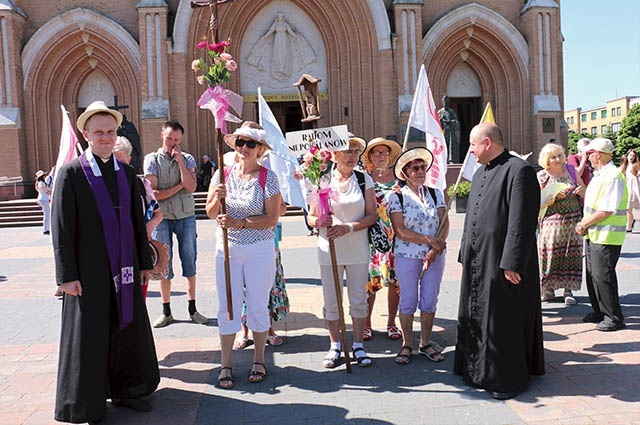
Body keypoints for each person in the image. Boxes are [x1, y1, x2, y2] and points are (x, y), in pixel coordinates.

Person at [52, 101, 159, 423]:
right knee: (91, 335)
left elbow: (136, 221)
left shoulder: (126, 173)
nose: (105, 137)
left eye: (111, 132)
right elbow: (61, 227)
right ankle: (88, 402)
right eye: (98, 132)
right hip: (89, 272)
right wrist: (66, 275)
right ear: (85, 134)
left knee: (126, 328)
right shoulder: (71, 174)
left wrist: (143, 262)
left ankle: (129, 390)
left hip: (125, 267)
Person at [454, 123, 544, 400]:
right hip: (478, 257)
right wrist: (464, 251)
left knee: (502, 318)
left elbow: (522, 220)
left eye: (472, 145)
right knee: (476, 314)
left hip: (502, 261)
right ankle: (476, 371)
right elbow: (472, 217)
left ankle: (507, 378)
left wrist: (512, 262)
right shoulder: (480, 172)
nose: (470, 151)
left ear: (488, 142)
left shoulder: (520, 171)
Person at [206, 121, 283, 388]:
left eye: (251, 143)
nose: (244, 148)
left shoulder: (267, 177)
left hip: (259, 249)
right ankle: (226, 363)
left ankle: (258, 360)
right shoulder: (222, 174)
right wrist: (218, 196)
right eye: (240, 142)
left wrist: (239, 223)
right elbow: (211, 213)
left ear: (260, 149)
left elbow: (271, 217)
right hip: (226, 250)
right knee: (228, 306)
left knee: (258, 305)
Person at [306, 136, 377, 369]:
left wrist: (348, 227)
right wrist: (319, 221)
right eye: (346, 151)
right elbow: (311, 216)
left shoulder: (363, 179)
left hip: (357, 247)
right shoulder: (321, 179)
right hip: (329, 247)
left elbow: (372, 215)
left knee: (358, 298)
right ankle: (335, 344)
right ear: (333, 154)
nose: (351, 155)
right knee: (331, 299)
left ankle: (358, 344)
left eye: (355, 151)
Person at [387, 148, 448, 365]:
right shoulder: (396, 196)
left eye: (423, 167)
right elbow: (400, 230)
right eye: (415, 168)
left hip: (435, 257)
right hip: (407, 255)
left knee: (429, 299)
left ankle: (426, 342)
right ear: (405, 172)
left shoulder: (435, 193)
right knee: (408, 300)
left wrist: (435, 249)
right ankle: (406, 344)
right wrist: (430, 241)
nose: (421, 171)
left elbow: (444, 223)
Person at [144, 121, 208, 327]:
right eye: (169, 138)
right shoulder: (151, 160)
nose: (172, 143)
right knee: (163, 264)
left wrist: (180, 163)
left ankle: (192, 308)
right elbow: (154, 193)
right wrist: (180, 184)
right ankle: (166, 311)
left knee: (190, 260)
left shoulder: (187, 158)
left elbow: (191, 187)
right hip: (162, 218)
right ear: (162, 135)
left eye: (177, 140)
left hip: (186, 216)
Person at [575, 138, 628, 331]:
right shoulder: (600, 175)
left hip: (606, 236)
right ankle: (599, 311)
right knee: (593, 276)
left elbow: (607, 210)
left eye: (589, 154)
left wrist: (583, 224)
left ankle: (613, 317)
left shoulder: (612, 176)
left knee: (603, 276)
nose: (587, 157)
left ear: (597, 154)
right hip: (595, 234)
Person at [360, 137, 402, 342]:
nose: (381, 156)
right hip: (371, 239)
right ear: (369, 157)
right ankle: (366, 325)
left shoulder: (399, 179)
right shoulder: (363, 179)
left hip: (396, 238)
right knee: (370, 283)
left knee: (395, 282)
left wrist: (401, 193)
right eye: (376, 153)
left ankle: (391, 323)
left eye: (384, 153)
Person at [114, 136, 163, 299]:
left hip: (137, 251)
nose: (116, 167)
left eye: (120, 161)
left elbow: (158, 214)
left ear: (129, 160)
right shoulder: (98, 186)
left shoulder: (141, 184)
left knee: (137, 301)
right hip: (111, 253)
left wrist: (148, 227)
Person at [537, 143, 585, 305]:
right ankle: (548, 289)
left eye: (559, 155)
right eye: (553, 157)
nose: (557, 159)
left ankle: (568, 290)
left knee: (570, 255)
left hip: (573, 220)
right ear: (546, 160)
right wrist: (554, 197)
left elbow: (584, 190)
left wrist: (580, 191)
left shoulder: (571, 170)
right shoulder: (542, 176)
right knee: (549, 255)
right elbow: (536, 201)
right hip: (551, 222)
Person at [620, 148, 640, 232]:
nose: (631, 157)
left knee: (628, 208)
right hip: (626, 189)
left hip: (633, 189)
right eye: (630, 155)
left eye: (633, 156)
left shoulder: (635, 165)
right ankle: (630, 224)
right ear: (627, 156)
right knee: (627, 209)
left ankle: (629, 226)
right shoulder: (624, 166)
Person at [438, 95, 461, 163]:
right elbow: (436, 122)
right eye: (444, 102)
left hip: (451, 131)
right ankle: (443, 160)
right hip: (443, 131)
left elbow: (456, 121)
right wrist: (441, 121)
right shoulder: (440, 112)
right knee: (444, 145)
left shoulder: (451, 111)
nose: (445, 104)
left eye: (447, 103)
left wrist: (451, 122)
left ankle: (451, 160)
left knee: (451, 146)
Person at [35, 169, 51, 235]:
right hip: (44, 199)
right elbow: (46, 191)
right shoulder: (41, 183)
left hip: (43, 199)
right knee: (47, 215)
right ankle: (45, 229)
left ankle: (46, 229)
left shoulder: (39, 183)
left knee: (47, 214)